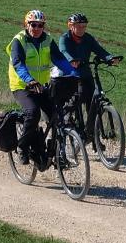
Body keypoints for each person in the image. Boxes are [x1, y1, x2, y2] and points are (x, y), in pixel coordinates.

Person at [6, 10, 78, 166]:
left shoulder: (47, 40)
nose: (37, 28)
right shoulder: (19, 41)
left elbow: (59, 59)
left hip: (41, 86)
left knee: (57, 115)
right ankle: (23, 148)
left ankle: (56, 154)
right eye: (33, 25)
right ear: (27, 25)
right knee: (33, 113)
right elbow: (18, 64)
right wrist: (29, 80)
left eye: (41, 25)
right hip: (22, 86)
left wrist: (73, 73)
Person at [55, 13, 121, 140]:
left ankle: (91, 133)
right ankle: (67, 115)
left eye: (84, 26)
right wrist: (71, 60)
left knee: (93, 101)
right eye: (79, 26)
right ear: (70, 26)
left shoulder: (88, 38)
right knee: (80, 95)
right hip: (70, 75)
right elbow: (63, 51)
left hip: (85, 73)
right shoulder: (65, 38)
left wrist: (110, 58)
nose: (81, 29)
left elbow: (100, 50)